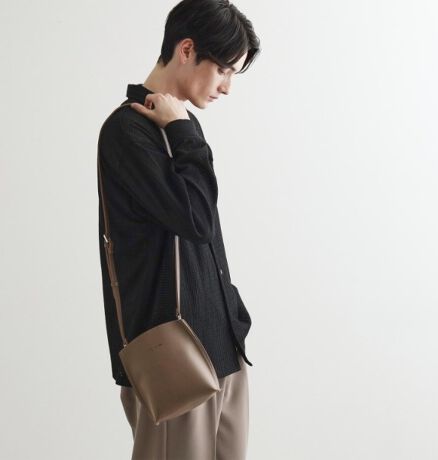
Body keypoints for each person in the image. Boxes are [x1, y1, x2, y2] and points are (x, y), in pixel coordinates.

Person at [96, 0, 261, 459]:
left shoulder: (180, 124)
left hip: (223, 348)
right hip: (175, 359)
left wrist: (232, 318)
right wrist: (183, 131)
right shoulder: (128, 131)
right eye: (223, 70)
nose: (226, 87)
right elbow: (195, 220)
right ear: (186, 50)